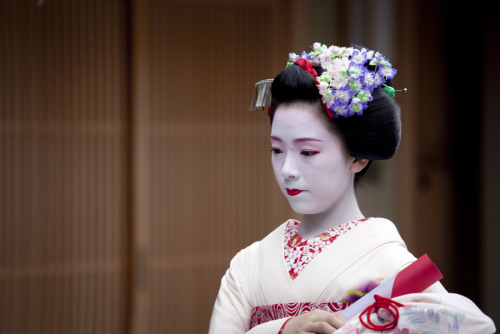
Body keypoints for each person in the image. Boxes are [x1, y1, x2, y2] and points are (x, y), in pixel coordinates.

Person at [209, 43, 495, 334]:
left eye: (307, 152)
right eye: (277, 150)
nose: (287, 170)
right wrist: (282, 329)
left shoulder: (392, 265)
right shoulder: (248, 264)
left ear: (358, 157)